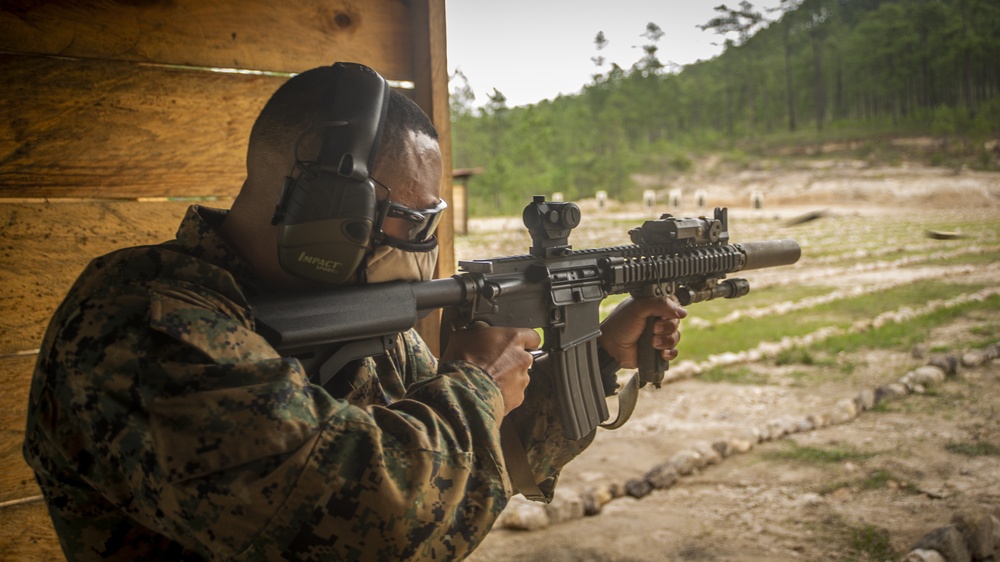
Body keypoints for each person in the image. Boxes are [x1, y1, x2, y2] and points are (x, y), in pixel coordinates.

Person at [23, 63, 686, 561]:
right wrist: (476, 381)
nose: (424, 247)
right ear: (323, 211)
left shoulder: (355, 313)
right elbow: (368, 516)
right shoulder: (144, 321)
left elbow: (461, 474)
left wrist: (597, 354)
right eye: (411, 222)